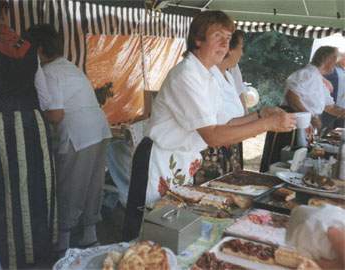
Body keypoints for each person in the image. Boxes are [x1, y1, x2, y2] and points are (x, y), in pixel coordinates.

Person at [122, 10, 296, 241]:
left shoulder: (208, 74)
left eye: (228, 37)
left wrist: (260, 115)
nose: (225, 43)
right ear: (198, 39)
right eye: (217, 36)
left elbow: (224, 123)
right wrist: (267, 123)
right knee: (146, 227)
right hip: (158, 159)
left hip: (180, 160)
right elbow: (213, 136)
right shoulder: (186, 74)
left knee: (171, 225)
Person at [27, 24, 112, 253]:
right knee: (92, 185)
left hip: (79, 135)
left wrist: (33, 113)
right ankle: (89, 235)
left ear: (38, 49)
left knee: (71, 187)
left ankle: (63, 243)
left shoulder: (48, 72)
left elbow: (55, 114)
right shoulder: (69, 66)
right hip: (99, 129)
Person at [0, 1, 56, 269]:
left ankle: (3, 260)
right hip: (31, 127)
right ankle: (37, 258)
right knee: (34, 191)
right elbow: (45, 97)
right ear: (4, 13)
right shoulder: (26, 47)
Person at [260, 46, 345, 172]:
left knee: (296, 162)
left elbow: (330, 106)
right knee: (282, 161)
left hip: (302, 124)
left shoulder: (318, 78)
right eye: (335, 59)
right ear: (329, 59)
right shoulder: (306, 73)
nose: (336, 63)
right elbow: (291, 96)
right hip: (290, 123)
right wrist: (310, 116)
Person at [195, 30, 247, 183]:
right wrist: (263, 122)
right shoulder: (208, 75)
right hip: (211, 152)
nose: (242, 53)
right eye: (241, 48)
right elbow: (219, 123)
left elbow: (236, 115)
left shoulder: (229, 76)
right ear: (230, 50)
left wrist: (260, 117)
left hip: (229, 148)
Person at [322, 52, 345, 129]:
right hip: (328, 110)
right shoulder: (330, 69)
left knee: (338, 136)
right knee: (324, 135)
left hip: (342, 111)